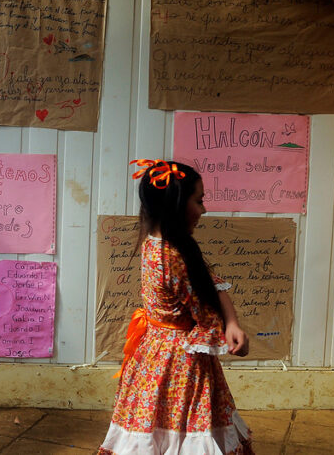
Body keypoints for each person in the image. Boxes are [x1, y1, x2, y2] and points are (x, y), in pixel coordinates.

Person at [98, 159, 254, 454]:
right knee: (184, 429)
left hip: (154, 354)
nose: (204, 210)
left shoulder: (155, 243)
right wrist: (232, 334)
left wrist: (232, 321)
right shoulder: (173, 257)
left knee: (158, 428)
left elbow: (211, 284)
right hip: (178, 362)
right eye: (199, 200)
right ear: (176, 205)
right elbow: (207, 315)